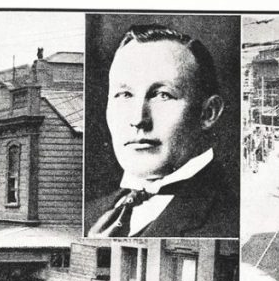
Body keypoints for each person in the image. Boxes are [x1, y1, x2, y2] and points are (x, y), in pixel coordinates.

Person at [87, 24, 237, 238]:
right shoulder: (91, 214)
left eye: (162, 95)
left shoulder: (230, 221)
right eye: (125, 95)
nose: (138, 119)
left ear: (208, 113)